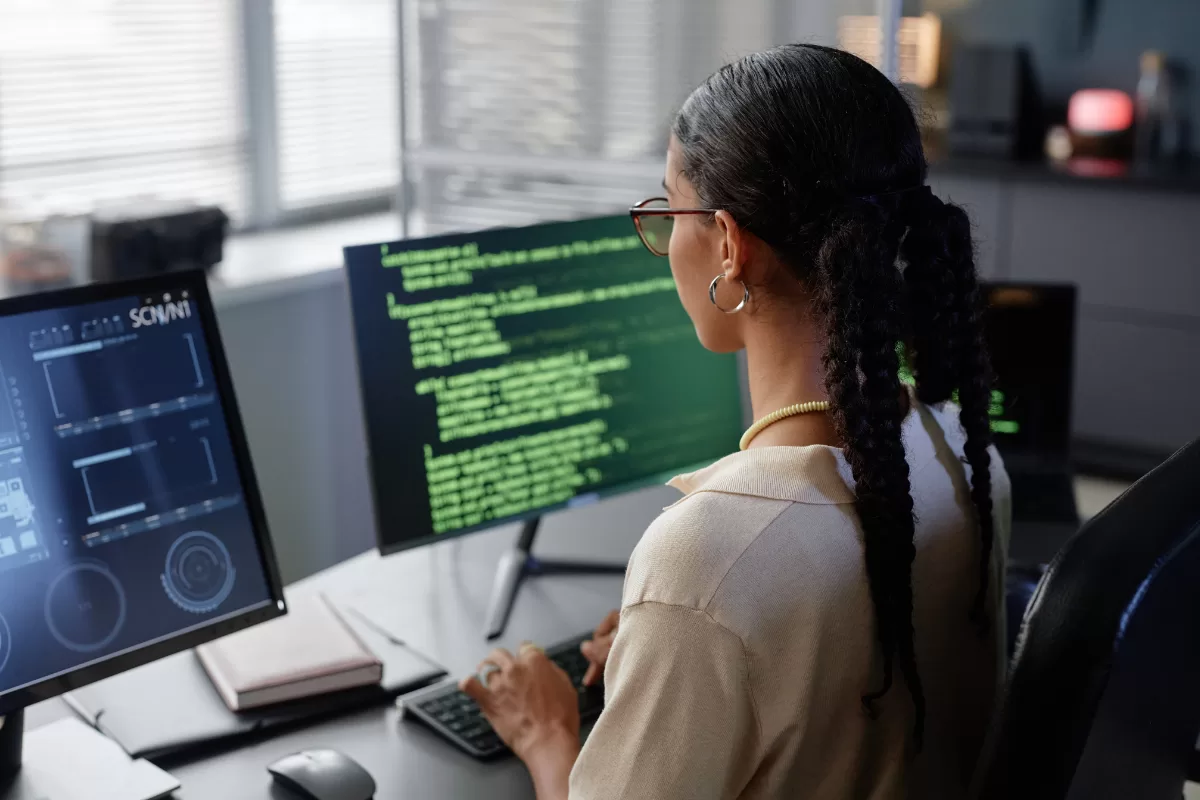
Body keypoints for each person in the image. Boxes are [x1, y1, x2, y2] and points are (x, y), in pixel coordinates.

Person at [459, 44, 1012, 799]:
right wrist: (678, 650)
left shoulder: (708, 559)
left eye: (668, 212)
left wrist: (546, 734)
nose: (665, 244)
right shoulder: (965, 457)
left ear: (727, 244)